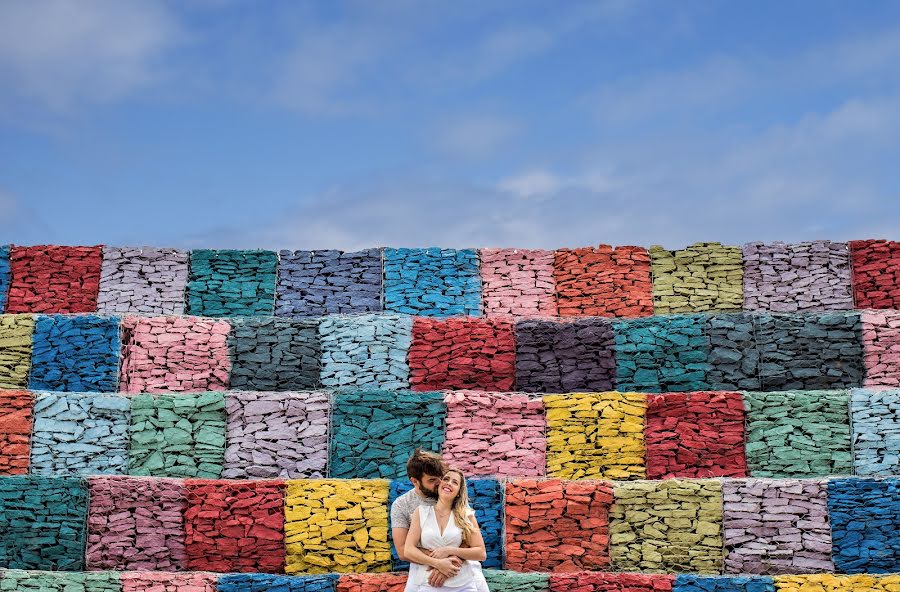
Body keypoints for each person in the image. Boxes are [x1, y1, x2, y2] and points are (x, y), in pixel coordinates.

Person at [390, 450, 488, 591]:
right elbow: (402, 550)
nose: (439, 483)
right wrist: (438, 563)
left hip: (461, 562)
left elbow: (469, 539)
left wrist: (450, 563)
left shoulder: (450, 494)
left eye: (440, 478)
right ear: (415, 481)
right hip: (422, 564)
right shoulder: (402, 505)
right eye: (431, 480)